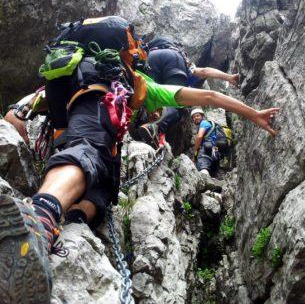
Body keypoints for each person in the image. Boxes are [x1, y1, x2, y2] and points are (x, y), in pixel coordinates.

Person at [1, 19, 279, 303]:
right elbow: (208, 95)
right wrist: (252, 113)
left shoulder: (81, 67)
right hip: (92, 114)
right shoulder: (128, 79)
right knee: (88, 153)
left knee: (103, 192)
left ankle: (68, 218)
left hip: (71, 119)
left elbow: (38, 98)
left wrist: (18, 111)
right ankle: (38, 218)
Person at [136, 36, 240, 146]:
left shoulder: (154, 50)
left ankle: (136, 126)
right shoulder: (185, 66)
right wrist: (229, 77)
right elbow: (205, 71)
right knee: (175, 104)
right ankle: (154, 127)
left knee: (148, 96)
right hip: (173, 57)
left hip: (149, 57)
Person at [190, 108, 220, 176]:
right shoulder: (210, 124)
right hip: (215, 150)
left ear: (202, 116)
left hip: (206, 147)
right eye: (194, 117)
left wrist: (195, 151)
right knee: (212, 172)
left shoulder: (204, 123)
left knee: (203, 166)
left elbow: (199, 137)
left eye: (197, 116)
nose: (195, 118)